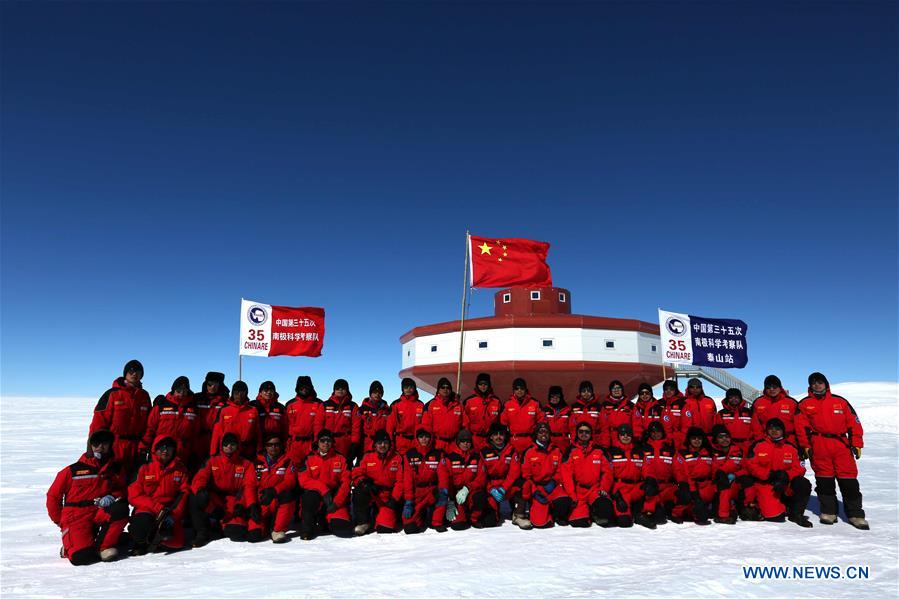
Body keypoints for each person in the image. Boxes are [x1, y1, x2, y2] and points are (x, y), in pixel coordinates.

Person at [795, 372, 868, 529]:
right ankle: (829, 512)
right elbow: (800, 427)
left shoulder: (840, 402)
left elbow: (854, 423)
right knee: (824, 480)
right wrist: (806, 446)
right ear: (810, 386)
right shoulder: (805, 404)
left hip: (841, 444)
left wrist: (856, 443)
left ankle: (855, 514)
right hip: (819, 445)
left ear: (826, 384)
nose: (817, 385)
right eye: (813, 383)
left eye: (820, 382)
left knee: (848, 480)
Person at [46, 429, 129, 565]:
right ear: (90, 445)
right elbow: (53, 497)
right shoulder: (72, 470)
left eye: (105, 443)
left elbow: (121, 490)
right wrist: (60, 521)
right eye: (96, 443)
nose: (100, 447)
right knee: (82, 557)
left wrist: (112, 497)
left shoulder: (114, 469)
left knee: (120, 509)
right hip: (76, 517)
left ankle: (103, 547)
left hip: (98, 512)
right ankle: (69, 546)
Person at [190, 433, 260, 546]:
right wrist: (200, 490)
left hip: (234, 500)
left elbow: (249, 486)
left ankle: (220, 525)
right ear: (221, 446)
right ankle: (202, 532)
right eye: (226, 444)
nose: (229, 447)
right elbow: (200, 478)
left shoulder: (246, 464)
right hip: (215, 498)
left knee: (236, 532)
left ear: (238, 446)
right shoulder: (212, 461)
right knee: (195, 497)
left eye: (232, 444)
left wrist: (251, 504)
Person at [127, 436, 190, 554]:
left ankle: (155, 540)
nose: (165, 451)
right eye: (162, 447)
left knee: (177, 544)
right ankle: (141, 540)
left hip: (169, 511)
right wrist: (157, 508)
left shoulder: (181, 469)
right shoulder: (144, 468)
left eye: (169, 448)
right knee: (141, 528)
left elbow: (184, 493)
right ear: (155, 449)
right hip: (147, 509)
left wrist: (174, 514)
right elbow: (134, 495)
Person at [745, 418, 812, 527]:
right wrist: (769, 475)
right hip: (766, 483)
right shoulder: (758, 445)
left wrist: (786, 476)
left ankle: (796, 513)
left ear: (783, 431)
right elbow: (751, 465)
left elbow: (800, 468)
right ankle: (767, 505)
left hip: (785, 483)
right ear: (767, 430)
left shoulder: (791, 448)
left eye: (778, 429)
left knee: (802, 483)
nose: (774, 431)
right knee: (775, 516)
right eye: (771, 429)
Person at [89, 359, 152, 470]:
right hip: (114, 447)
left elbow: (150, 423)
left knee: (134, 483)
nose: (134, 374)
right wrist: (95, 447)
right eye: (131, 371)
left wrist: (144, 445)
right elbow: (99, 423)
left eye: (138, 372)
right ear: (125, 374)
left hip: (137, 448)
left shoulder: (144, 396)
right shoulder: (112, 394)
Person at [297, 429, 353, 540]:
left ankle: (325, 520)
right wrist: (323, 489)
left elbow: (346, 483)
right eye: (323, 441)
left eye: (328, 440)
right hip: (316, 494)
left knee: (342, 528)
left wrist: (336, 503)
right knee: (309, 498)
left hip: (334, 497)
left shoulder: (341, 459)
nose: (326, 443)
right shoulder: (309, 459)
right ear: (317, 442)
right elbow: (304, 480)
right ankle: (307, 530)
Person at [560, 422, 614, 528]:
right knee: (578, 523)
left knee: (606, 515)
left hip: (595, 489)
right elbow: (567, 476)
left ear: (591, 434)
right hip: (579, 491)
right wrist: (572, 495)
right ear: (577, 433)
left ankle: (595, 511)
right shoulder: (570, 451)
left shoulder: (599, 450)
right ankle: (587, 511)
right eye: (581, 431)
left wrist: (604, 488)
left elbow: (608, 472)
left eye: (587, 432)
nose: (584, 434)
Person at [138, 376, 200, 468]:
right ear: (173, 390)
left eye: (184, 390)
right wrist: (143, 447)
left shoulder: (193, 409)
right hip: (161, 449)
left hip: (182, 452)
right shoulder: (161, 406)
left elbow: (195, 433)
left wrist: (194, 452)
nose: (181, 393)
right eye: (179, 390)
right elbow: (150, 429)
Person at [520, 422, 572, 528]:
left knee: (564, 499)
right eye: (540, 432)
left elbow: (560, 471)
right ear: (536, 434)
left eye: (546, 432)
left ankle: (555, 513)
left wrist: (553, 482)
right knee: (540, 523)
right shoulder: (529, 452)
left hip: (553, 486)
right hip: (537, 488)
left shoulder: (556, 450)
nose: (543, 434)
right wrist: (535, 491)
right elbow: (526, 476)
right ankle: (539, 508)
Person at [351, 430, 404, 535]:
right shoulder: (367, 457)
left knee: (385, 528)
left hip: (388, 496)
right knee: (359, 491)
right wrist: (363, 482)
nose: (382, 445)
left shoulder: (397, 458)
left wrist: (394, 499)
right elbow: (356, 473)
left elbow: (400, 482)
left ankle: (379, 516)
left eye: (385, 443)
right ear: (375, 445)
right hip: (372, 492)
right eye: (379, 443)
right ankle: (363, 522)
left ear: (389, 444)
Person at [433, 429, 487, 531]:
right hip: (455, 494)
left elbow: (481, 479)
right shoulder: (449, 458)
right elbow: (444, 480)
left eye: (468, 441)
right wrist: (450, 500)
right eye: (463, 441)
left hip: (470, 491)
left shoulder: (476, 457)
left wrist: (467, 488)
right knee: (458, 526)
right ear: (458, 442)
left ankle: (473, 519)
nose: (466, 444)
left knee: (480, 497)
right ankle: (460, 514)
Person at [251, 433, 298, 543]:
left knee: (289, 495)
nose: (273, 447)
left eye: (276, 445)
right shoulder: (257, 462)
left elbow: (290, 481)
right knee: (254, 536)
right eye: (270, 444)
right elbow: (249, 484)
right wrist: (252, 504)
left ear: (281, 446)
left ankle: (278, 530)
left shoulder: (287, 461)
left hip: (278, 499)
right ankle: (265, 525)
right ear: (265, 446)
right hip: (262, 500)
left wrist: (274, 490)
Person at [607, 424, 655, 528]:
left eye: (628, 434)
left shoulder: (639, 452)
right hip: (620, 489)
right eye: (622, 434)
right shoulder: (611, 452)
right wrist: (616, 495)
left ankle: (642, 513)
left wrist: (649, 480)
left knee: (652, 486)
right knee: (624, 523)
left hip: (636, 487)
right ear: (618, 436)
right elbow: (608, 476)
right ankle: (629, 512)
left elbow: (647, 469)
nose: (625, 436)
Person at [480, 422, 525, 529]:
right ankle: (494, 511)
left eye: (501, 434)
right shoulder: (484, 452)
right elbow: (482, 475)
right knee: (490, 522)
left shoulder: (512, 450)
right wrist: (490, 489)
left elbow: (514, 472)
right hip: (492, 487)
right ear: (491, 436)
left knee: (524, 485)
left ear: (505, 436)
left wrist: (504, 488)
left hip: (507, 486)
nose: (498, 437)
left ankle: (518, 513)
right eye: (495, 434)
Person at [708, 425, 754, 525]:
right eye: (721, 437)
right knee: (722, 480)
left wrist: (736, 474)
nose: (724, 439)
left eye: (727, 436)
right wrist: (723, 473)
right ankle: (723, 515)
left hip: (734, 484)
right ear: (716, 439)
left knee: (747, 480)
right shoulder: (711, 452)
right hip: (717, 487)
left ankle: (749, 508)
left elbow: (745, 468)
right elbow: (712, 471)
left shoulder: (738, 451)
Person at [401, 428, 443, 534]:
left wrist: (444, 490)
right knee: (410, 528)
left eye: (426, 436)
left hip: (433, 491)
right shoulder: (409, 455)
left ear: (430, 438)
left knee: (441, 496)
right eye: (421, 437)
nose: (424, 439)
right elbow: (408, 479)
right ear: (417, 438)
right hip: (417, 493)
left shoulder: (438, 454)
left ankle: (433, 517)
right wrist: (409, 501)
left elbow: (443, 476)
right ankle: (423, 515)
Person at [209, 381, 262, 461]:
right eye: (236, 392)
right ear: (233, 393)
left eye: (242, 392)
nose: (239, 395)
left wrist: (259, 451)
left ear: (246, 393)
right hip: (229, 450)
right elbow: (217, 433)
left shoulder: (253, 410)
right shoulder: (224, 410)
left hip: (247, 452)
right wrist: (213, 453)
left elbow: (258, 433)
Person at [672, 427, 714, 525]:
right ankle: (676, 514)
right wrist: (693, 491)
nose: (697, 441)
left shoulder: (708, 453)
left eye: (699, 438)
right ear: (689, 440)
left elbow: (714, 470)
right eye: (694, 438)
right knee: (686, 495)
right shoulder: (682, 454)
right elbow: (682, 473)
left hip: (707, 487)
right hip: (690, 487)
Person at [641, 421, 678, 525]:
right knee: (659, 519)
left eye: (658, 431)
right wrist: (648, 479)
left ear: (662, 432)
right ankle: (648, 512)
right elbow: (642, 467)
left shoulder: (670, 449)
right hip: (652, 487)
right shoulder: (644, 448)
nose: (655, 434)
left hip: (667, 486)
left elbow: (677, 468)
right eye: (652, 432)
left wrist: (682, 482)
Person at [285, 375, 324, 467]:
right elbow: (285, 425)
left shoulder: (319, 404)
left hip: (311, 443)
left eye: (307, 387)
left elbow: (320, 424)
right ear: (297, 388)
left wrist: (317, 442)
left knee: (312, 469)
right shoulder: (290, 404)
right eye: (302, 387)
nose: (304, 389)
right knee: (293, 470)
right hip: (294, 444)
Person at [750, 375, 799, 446]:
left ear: (780, 388)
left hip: (789, 442)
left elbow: (799, 425)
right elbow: (755, 425)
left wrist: (801, 445)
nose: (772, 389)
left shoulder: (792, 403)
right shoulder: (758, 403)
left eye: (775, 387)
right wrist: (760, 440)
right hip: (766, 441)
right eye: (768, 387)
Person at [321, 379, 363, 462]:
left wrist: (354, 444)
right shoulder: (325, 405)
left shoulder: (353, 406)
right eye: (337, 388)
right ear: (334, 390)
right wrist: (318, 441)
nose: (340, 390)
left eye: (343, 388)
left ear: (347, 390)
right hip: (328, 442)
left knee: (345, 467)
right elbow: (318, 424)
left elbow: (356, 426)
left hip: (345, 443)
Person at [500, 378, 545, 454]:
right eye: (517, 389)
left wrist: (535, 437)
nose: (519, 391)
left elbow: (542, 421)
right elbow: (503, 424)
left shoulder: (534, 403)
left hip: (530, 441)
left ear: (525, 390)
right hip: (513, 441)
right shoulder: (507, 404)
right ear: (513, 390)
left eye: (522, 388)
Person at [193, 372, 229, 464]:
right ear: (206, 385)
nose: (212, 387)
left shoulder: (225, 401)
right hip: (198, 439)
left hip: (217, 439)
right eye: (210, 384)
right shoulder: (197, 399)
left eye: (216, 384)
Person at [422, 377, 465, 452]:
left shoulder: (458, 405)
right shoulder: (430, 405)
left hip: (454, 444)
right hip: (437, 444)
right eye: (443, 387)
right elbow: (426, 427)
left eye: (448, 387)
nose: (445, 389)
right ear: (438, 389)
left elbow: (465, 424)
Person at [462, 373, 503, 451]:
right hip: (474, 440)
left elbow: (500, 422)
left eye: (485, 384)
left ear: (489, 385)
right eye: (480, 384)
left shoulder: (496, 401)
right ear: (477, 385)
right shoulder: (469, 401)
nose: (483, 386)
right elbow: (465, 422)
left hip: (491, 441)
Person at [387, 378, 425, 456]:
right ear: (402, 389)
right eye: (406, 387)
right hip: (400, 442)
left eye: (411, 387)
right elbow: (390, 426)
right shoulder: (396, 405)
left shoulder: (421, 405)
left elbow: (424, 425)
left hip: (416, 441)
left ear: (414, 389)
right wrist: (390, 443)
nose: (408, 389)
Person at [713, 388, 753, 454]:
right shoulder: (721, 413)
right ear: (727, 399)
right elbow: (717, 431)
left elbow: (756, 429)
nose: (734, 399)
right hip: (729, 446)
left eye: (736, 397)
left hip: (747, 445)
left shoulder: (749, 412)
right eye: (731, 397)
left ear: (740, 398)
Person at [598, 380, 636, 448]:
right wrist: (605, 443)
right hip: (612, 438)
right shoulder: (605, 406)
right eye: (614, 389)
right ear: (610, 391)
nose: (616, 390)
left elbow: (636, 422)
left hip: (627, 437)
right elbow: (604, 426)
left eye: (618, 388)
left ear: (622, 390)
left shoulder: (630, 405)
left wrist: (636, 438)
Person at [250, 381, 289, 447]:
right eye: (265, 390)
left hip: (275, 442)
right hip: (257, 441)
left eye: (271, 390)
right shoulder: (253, 405)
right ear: (260, 393)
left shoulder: (280, 407)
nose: (268, 392)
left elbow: (285, 427)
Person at [359, 381, 391, 455]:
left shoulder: (387, 410)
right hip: (366, 444)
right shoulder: (362, 409)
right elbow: (357, 428)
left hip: (381, 444)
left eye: (379, 392)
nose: (377, 394)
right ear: (370, 393)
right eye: (374, 392)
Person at [568, 380, 602, 447]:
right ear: (580, 392)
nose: (586, 393)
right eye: (583, 391)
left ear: (592, 392)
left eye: (588, 391)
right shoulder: (574, 407)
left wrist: (604, 444)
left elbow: (604, 427)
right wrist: (573, 441)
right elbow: (572, 427)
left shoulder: (598, 407)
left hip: (595, 442)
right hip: (578, 441)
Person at [542, 385, 572, 454]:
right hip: (549, 440)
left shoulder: (567, 410)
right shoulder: (545, 410)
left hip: (563, 442)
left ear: (561, 397)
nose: (554, 398)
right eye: (552, 396)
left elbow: (572, 428)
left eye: (557, 396)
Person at [661, 379, 688, 450]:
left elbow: (686, 424)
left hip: (678, 440)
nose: (668, 391)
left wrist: (681, 439)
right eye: (666, 389)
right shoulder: (660, 403)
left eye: (671, 389)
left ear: (675, 390)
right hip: (662, 439)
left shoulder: (682, 404)